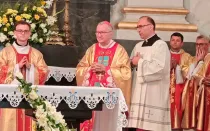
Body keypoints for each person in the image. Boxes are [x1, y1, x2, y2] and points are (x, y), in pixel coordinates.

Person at [76, 21, 132, 131]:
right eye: (97, 32)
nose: (99, 35)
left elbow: (126, 73)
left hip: (109, 99)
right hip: (91, 96)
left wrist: (106, 69)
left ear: (111, 33)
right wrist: (89, 69)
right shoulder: (92, 49)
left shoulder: (119, 50)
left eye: (102, 32)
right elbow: (79, 69)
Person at [0, 21, 48, 131]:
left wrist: (31, 68)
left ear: (30, 33)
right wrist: (17, 67)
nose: (23, 33)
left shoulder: (37, 54)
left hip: (30, 101)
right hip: (10, 100)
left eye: (26, 31)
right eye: (20, 31)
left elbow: (44, 72)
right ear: (14, 33)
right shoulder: (5, 52)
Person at [128, 16, 171, 131]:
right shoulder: (138, 46)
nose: (138, 30)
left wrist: (139, 62)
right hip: (137, 92)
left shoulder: (160, 45)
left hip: (154, 94)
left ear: (151, 27)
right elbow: (131, 65)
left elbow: (160, 69)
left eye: (141, 26)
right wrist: (132, 64)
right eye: (137, 27)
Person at [181, 35, 209, 130]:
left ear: (208, 45)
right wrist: (197, 61)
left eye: (201, 44)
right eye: (197, 44)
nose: (198, 47)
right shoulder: (191, 59)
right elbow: (187, 76)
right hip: (192, 96)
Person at [169, 32, 192, 130]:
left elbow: (190, 72)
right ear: (170, 41)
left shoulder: (187, 56)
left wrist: (178, 67)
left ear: (182, 43)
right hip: (165, 86)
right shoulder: (164, 53)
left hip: (180, 88)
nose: (175, 43)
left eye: (177, 41)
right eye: (173, 40)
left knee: (178, 108)